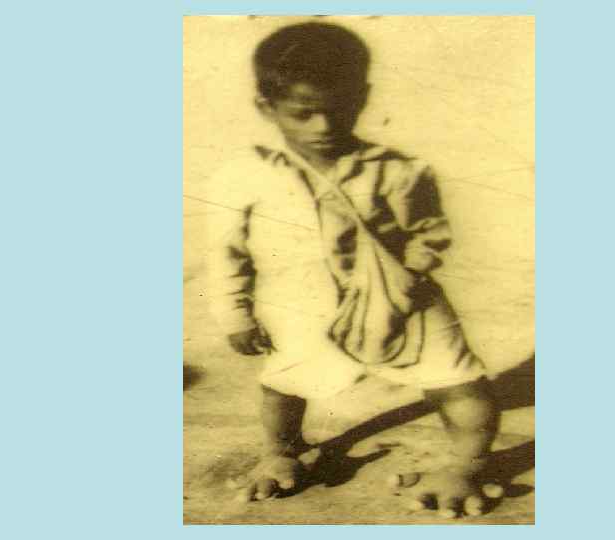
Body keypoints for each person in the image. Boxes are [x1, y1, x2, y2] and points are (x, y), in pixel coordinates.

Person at [204, 21, 499, 518]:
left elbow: (430, 229)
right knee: (283, 385)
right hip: (302, 301)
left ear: (361, 98)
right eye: (303, 113)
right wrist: (235, 316)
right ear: (266, 107)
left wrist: (413, 270)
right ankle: (281, 452)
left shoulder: (397, 170)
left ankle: (467, 464)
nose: (323, 126)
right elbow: (226, 252)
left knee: (460, 382)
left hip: (403, 300)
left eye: (338, 109)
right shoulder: (244, 177)